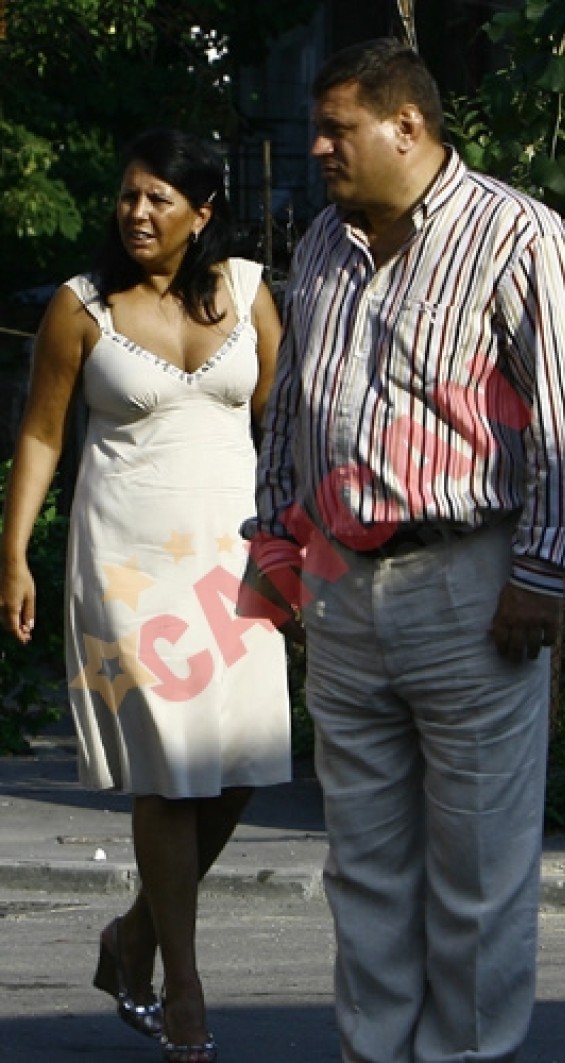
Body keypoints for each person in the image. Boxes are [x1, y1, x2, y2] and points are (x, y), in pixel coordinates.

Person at [243, 38, 565, 1063]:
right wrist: (275, 548)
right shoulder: (325, 241)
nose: (318, 147)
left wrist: (539, 575)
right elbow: (292, 414)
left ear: (406, 126)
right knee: (362, 863)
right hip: (339, 585)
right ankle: (373, 1051)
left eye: (337, 129)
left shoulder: (518, 236)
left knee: (478, 866)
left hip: (472, 582)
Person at [0, 128, 291, 1063]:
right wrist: (14, 554)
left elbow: (283, 427)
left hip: (237, 561)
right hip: (128, 566)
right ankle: (185, 989)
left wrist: (301, 548)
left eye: (159, 198)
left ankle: (133, 934)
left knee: (241, 765)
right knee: (166, 772)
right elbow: (42, 434)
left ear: (201, 213)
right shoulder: (81, 306)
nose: (136, 211)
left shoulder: (248, 290)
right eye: (129, 194)